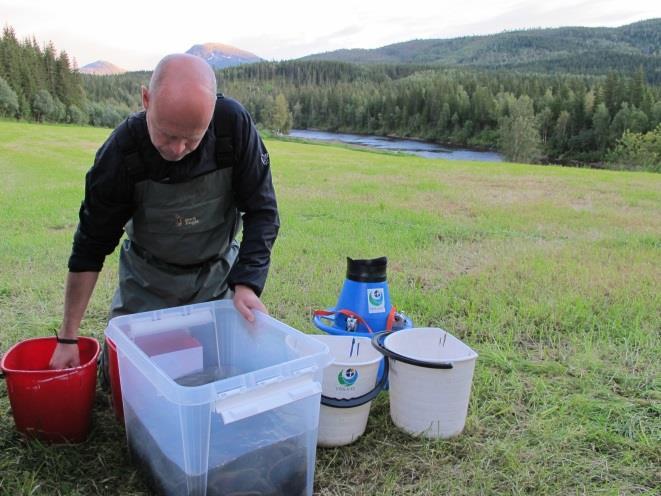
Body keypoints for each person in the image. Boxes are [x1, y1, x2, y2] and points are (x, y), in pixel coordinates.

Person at [49, 53, 279, 370]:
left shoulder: (233, 127)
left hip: (217, 279)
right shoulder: (120, 153)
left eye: (191, 139)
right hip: (148, 282)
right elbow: (90, 246)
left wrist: (247, 284)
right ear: (146, 99)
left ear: (210, 118)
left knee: (231, 370)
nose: (176, 150)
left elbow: (263, 212)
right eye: (167, 134)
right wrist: (68, 338)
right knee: (122, 377)